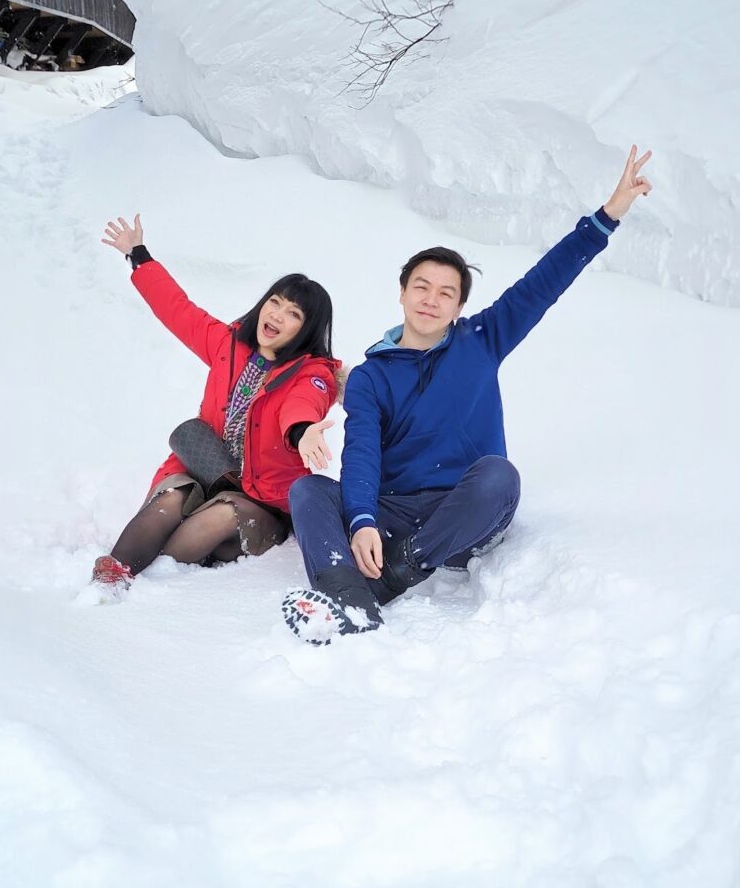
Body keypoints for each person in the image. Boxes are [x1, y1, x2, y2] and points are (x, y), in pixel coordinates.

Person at [285, 145, 653, 644]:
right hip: (394, 513)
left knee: (499, 475)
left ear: (459, 307)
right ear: (402, 292)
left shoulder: (482, 340)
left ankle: (388, 579)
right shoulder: (371, 375)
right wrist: (364, 522)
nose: (431, 300)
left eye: (446, 293)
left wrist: (607, 216)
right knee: (309, 491)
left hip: (463, 516)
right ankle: (344, 594)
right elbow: (363, 453)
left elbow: (543, 283)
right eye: (422, 287)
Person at [91, 214, 341, 596]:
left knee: (215, 521)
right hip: (205, 470)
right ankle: (112, 575)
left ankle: (152, 579)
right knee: (168, 502)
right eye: (275, 302)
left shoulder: (311, 372)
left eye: (293, 314)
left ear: (306, 329)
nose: (277, 315)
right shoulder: (228, 344)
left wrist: (302, 431)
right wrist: (138, 256)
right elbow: (178, 309)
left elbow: (304, 402)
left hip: (260, 499)